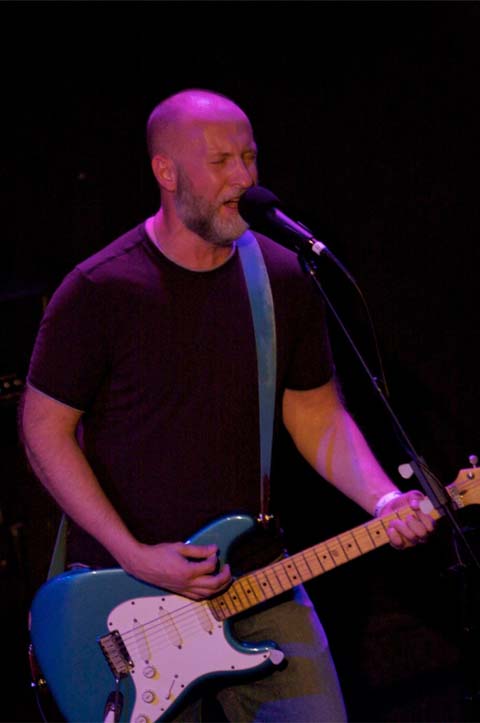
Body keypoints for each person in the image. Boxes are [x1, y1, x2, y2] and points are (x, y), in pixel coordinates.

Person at [21, 88, 435, 722]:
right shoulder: (100, 289)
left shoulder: (282, 280)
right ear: (166, 171)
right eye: (221, 162)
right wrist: (134, 554)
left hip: (258, 577)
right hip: (126, 599)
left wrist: (382, 499)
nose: (243, 177)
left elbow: (316, 414)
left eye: (249, 157)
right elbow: (43, 431)